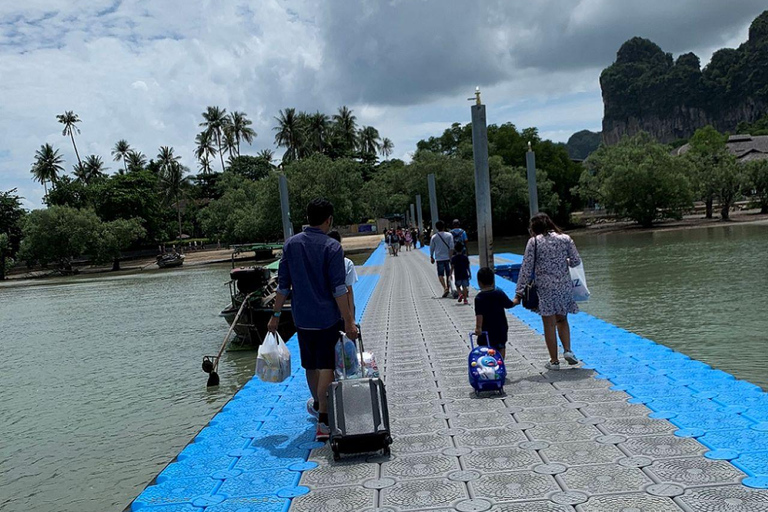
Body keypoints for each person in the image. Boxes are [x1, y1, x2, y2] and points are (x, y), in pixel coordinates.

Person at [268, 199, 358, 441]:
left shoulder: (291, 245)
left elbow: (283, 286)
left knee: (310, 365)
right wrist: (349, 321)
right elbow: (339, 289)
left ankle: (319, 404)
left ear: (307, 218)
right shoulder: (332, 247)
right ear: (328, 219)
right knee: (327, 366)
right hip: (327, 319)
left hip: (302, 318)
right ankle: (324, 421)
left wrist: (275, 316)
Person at [512, 212, 581, 371]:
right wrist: (563, 262)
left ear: (534, 227)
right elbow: (576, 261)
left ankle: (554, 361)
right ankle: (568, 351)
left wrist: (519, 293)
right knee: (562, 319)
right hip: (563, 285)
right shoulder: (565, 239)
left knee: (549, 324)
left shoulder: (534, 242)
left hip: (545, 288)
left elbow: (526, 269)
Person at [474, 267, 516, 360]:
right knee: (501, 346)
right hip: (500, 327)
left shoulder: (479, 298)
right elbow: (509, 304)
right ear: (493, 281)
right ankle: (500, 364)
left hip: (486, 329)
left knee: (486, 347)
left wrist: (478, 328)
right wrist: (516, 300)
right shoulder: (499, 293)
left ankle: (489, 364)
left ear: (479, 282)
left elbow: (479, 315)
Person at [328, 230, 358, 319]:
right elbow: (349, 291)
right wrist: (352, 318)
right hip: (343, 307)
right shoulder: (347, 263)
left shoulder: (319, 262)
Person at [430, 220, 455, 298]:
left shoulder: (434, 237)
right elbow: (452, 246)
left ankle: (445, 288)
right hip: (448, 257)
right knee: (449, 274)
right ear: (444, 226)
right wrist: (451, 256)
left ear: (436, 228)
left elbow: (432, 248)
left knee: (440, 274)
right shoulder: (449, 235)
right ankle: (449, 286)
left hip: (439, 258)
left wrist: (431, 256)